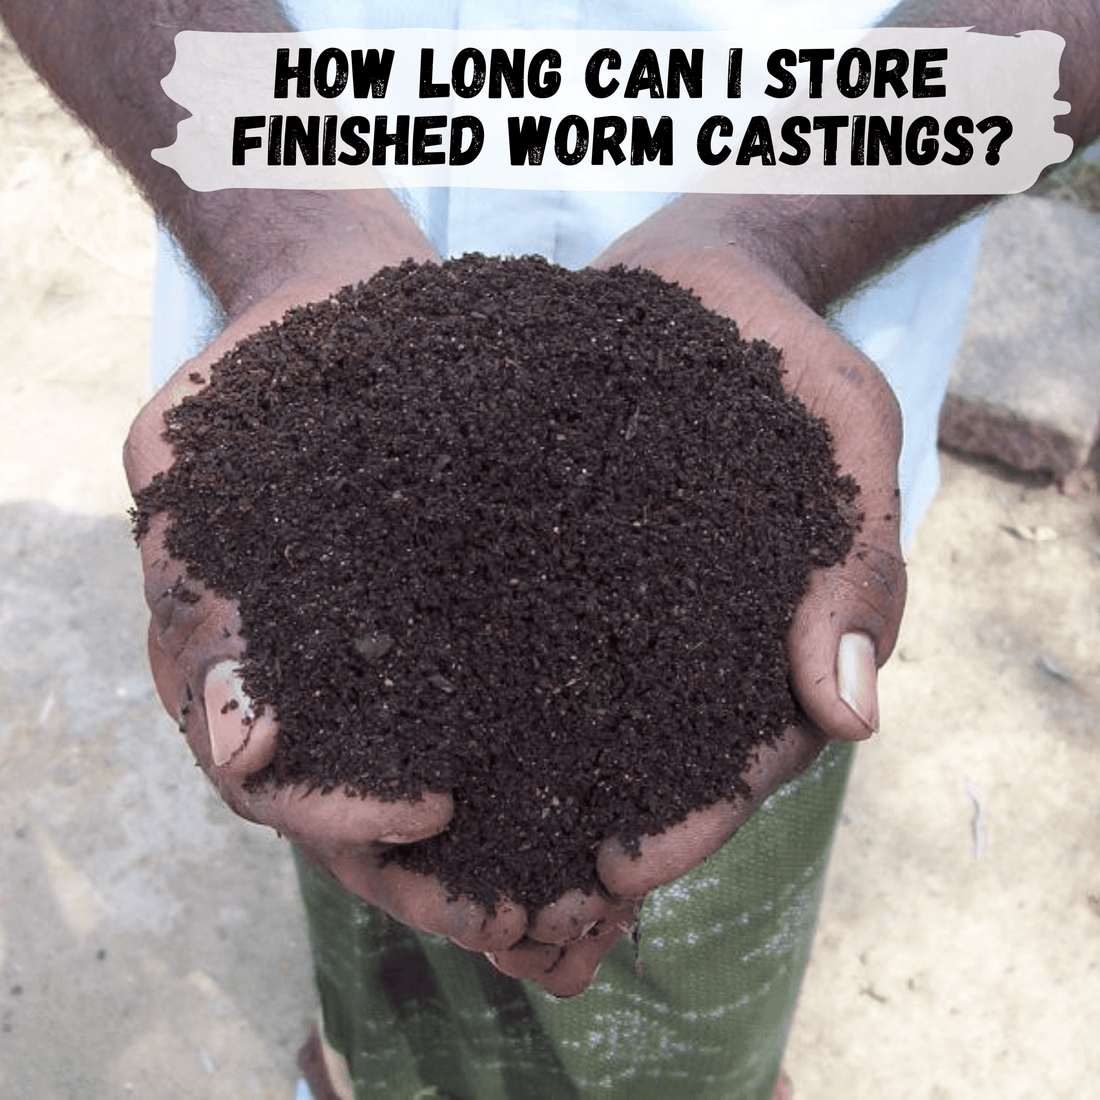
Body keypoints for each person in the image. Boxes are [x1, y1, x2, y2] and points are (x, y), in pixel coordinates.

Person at [1, 1, 1096, 1097]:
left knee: (698, 979)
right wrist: (278, 220)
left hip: (783, 440)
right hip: (291, 380)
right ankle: (364, 1068)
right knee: (357, 847)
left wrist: (782, 225)